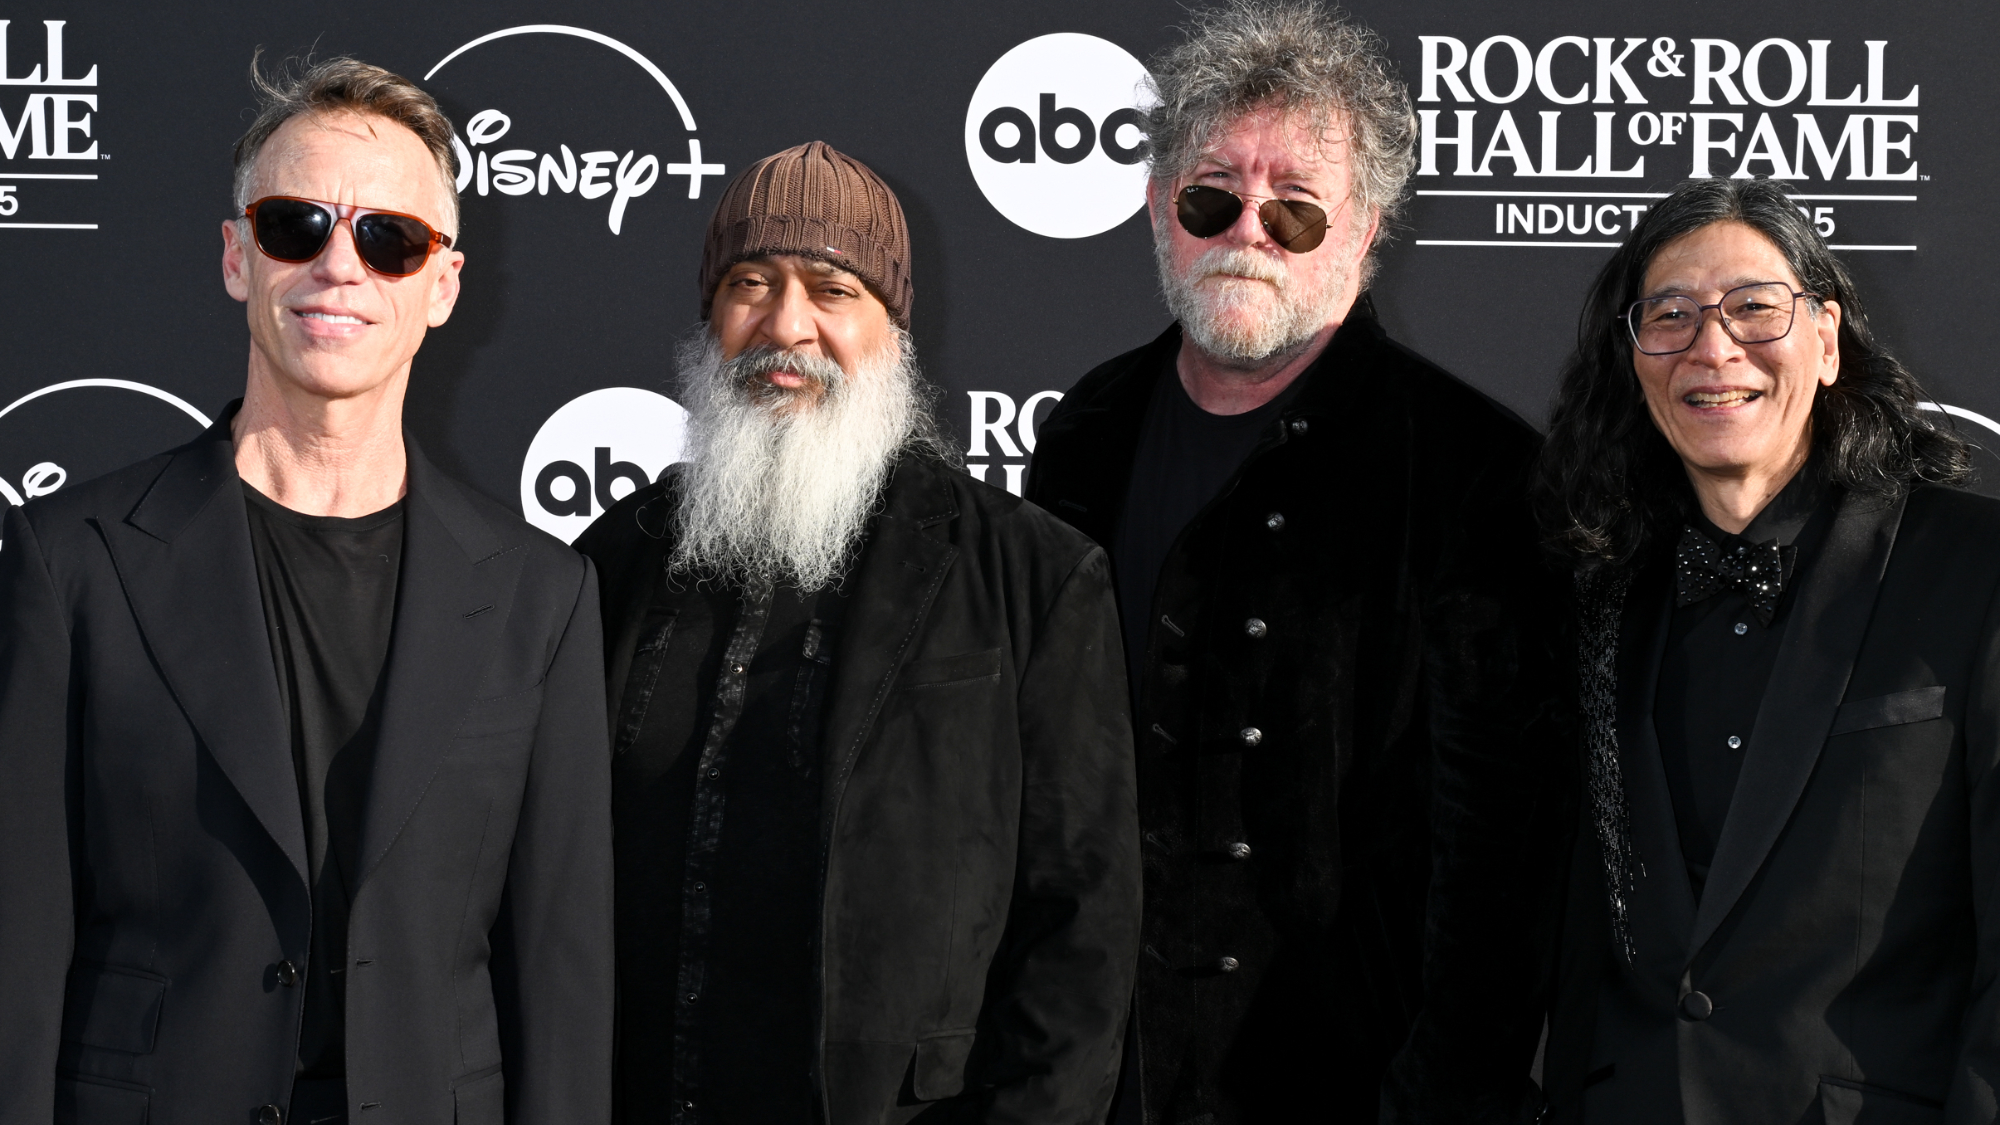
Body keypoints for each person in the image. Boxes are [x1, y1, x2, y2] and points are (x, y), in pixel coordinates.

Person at [0, 58, 612, 1125]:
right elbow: (16, 944)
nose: (340, 266)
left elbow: (558, 969)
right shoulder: (73, 562)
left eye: (389, 239)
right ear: (238, 258)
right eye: (297, 225)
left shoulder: (540, 597)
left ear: (443, 284)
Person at [1025, 2, 1569, 1121]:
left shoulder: (1475, 475)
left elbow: (1502, 873)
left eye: (1297, 212)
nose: (1247, 233)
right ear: (1157, 211)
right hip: (1096, 1076)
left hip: (1343, 1087)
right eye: (1212, 196)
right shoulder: (1086, 434)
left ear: (1367, 236)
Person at [573, 140, 1139, 1125]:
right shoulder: (614, 557)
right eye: (750, 283)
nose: (785, 326)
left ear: (893, 327)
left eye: (831, 289)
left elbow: (1082, 937)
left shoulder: (1031, 578)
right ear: (710, 317)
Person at [1537, 177, 1996, 1121]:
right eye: (1670, 314)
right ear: (1634, 359)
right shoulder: (1589, 595)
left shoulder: (1976, 570)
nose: (1713, 347)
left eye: (1754, 307)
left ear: (1827, 341)